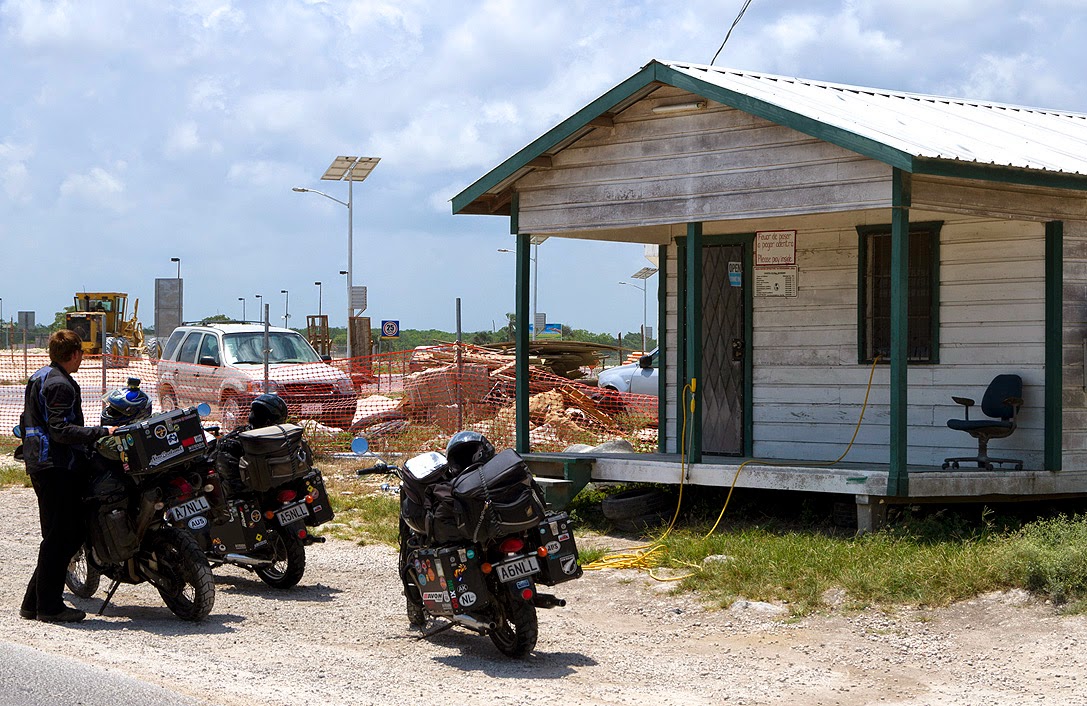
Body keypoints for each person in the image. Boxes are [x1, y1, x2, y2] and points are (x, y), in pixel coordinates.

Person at [19, 330, 114, 623]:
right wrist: (100, 433)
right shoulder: (60, 384)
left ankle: (33, 602)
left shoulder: (42, 375)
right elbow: (61, 430)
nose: (83, 358)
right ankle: (48, 607)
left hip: (42, 463)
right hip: (56, 467)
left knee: (57, 537)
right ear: (74, 354)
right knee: (65, 536)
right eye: (82, 353)